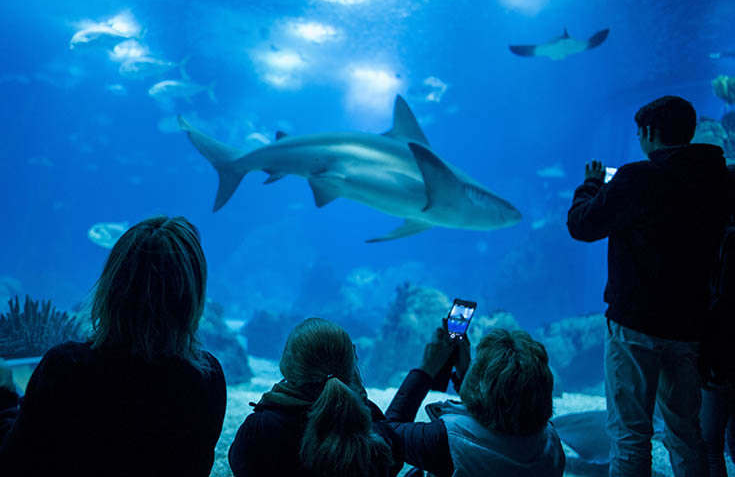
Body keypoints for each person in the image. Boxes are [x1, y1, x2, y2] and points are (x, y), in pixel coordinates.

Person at [567, 95, 733, 476]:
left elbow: (581, 225)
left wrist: (590, 186)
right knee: (685, 430)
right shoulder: (719, 179)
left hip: (635, 327)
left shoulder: (636, 178)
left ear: (649, 133)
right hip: (691, 328)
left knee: (630, 434)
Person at [0, 216, 226, 477]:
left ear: (112, 285)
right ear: (191, 297)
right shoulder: (207, 377)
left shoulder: (66, 367)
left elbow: (15, 462)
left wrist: (5, 398)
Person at [228, 317, 403, 477]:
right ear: (352, 364)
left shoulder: (260, 427)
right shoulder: (368, 418)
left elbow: (240, 466)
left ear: (288, 365)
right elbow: (394, 458)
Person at [384, 324, 565, 477]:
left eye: (475, 363)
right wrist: (466, 377)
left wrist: (426, 369)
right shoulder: (550, 440)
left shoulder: (448, 440)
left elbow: (386, 434)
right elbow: (505, 408)